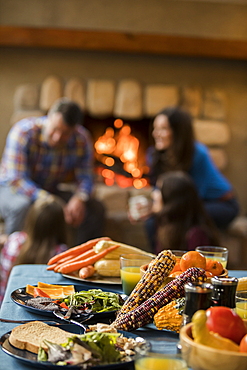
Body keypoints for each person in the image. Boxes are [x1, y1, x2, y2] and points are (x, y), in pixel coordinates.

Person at [0, 98, 105, 245]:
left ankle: (82, 260)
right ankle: (11, 258)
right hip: (10, 189)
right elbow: (17, 179)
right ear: (48, 117)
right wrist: (50, 201)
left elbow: (86, 177)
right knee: (22, 206)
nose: (57, 137)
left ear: (75, 129)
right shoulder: (23, 132)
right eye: (55, 129)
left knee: (95, 208)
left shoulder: (82, 139)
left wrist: (80, 197)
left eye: (65, 133)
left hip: (49, 190)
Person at [146, 106, 239, 230]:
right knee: (151, 223)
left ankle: (188, 250)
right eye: (155, 128)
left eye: (163, 129)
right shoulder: (154, 155)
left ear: (178, 131)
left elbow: (193, 199)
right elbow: (157, 190)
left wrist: (160, 209)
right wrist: (148, 208)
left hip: (219, 204)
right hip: (185, 206)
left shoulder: (198, 154)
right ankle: (160, 251)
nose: (155, 134)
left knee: (181, 219)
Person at [0, 195, 68, 305]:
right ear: (60, 225)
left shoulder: (13, 241)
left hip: (6, 305)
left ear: (30, 218)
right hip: (42, 310)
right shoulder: (60, 253)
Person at [151, 171, 219, 254]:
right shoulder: (166, 226)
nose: (153, 194)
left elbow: (197, 266)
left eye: (159, 190)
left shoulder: (196, 235)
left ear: (172, 200)